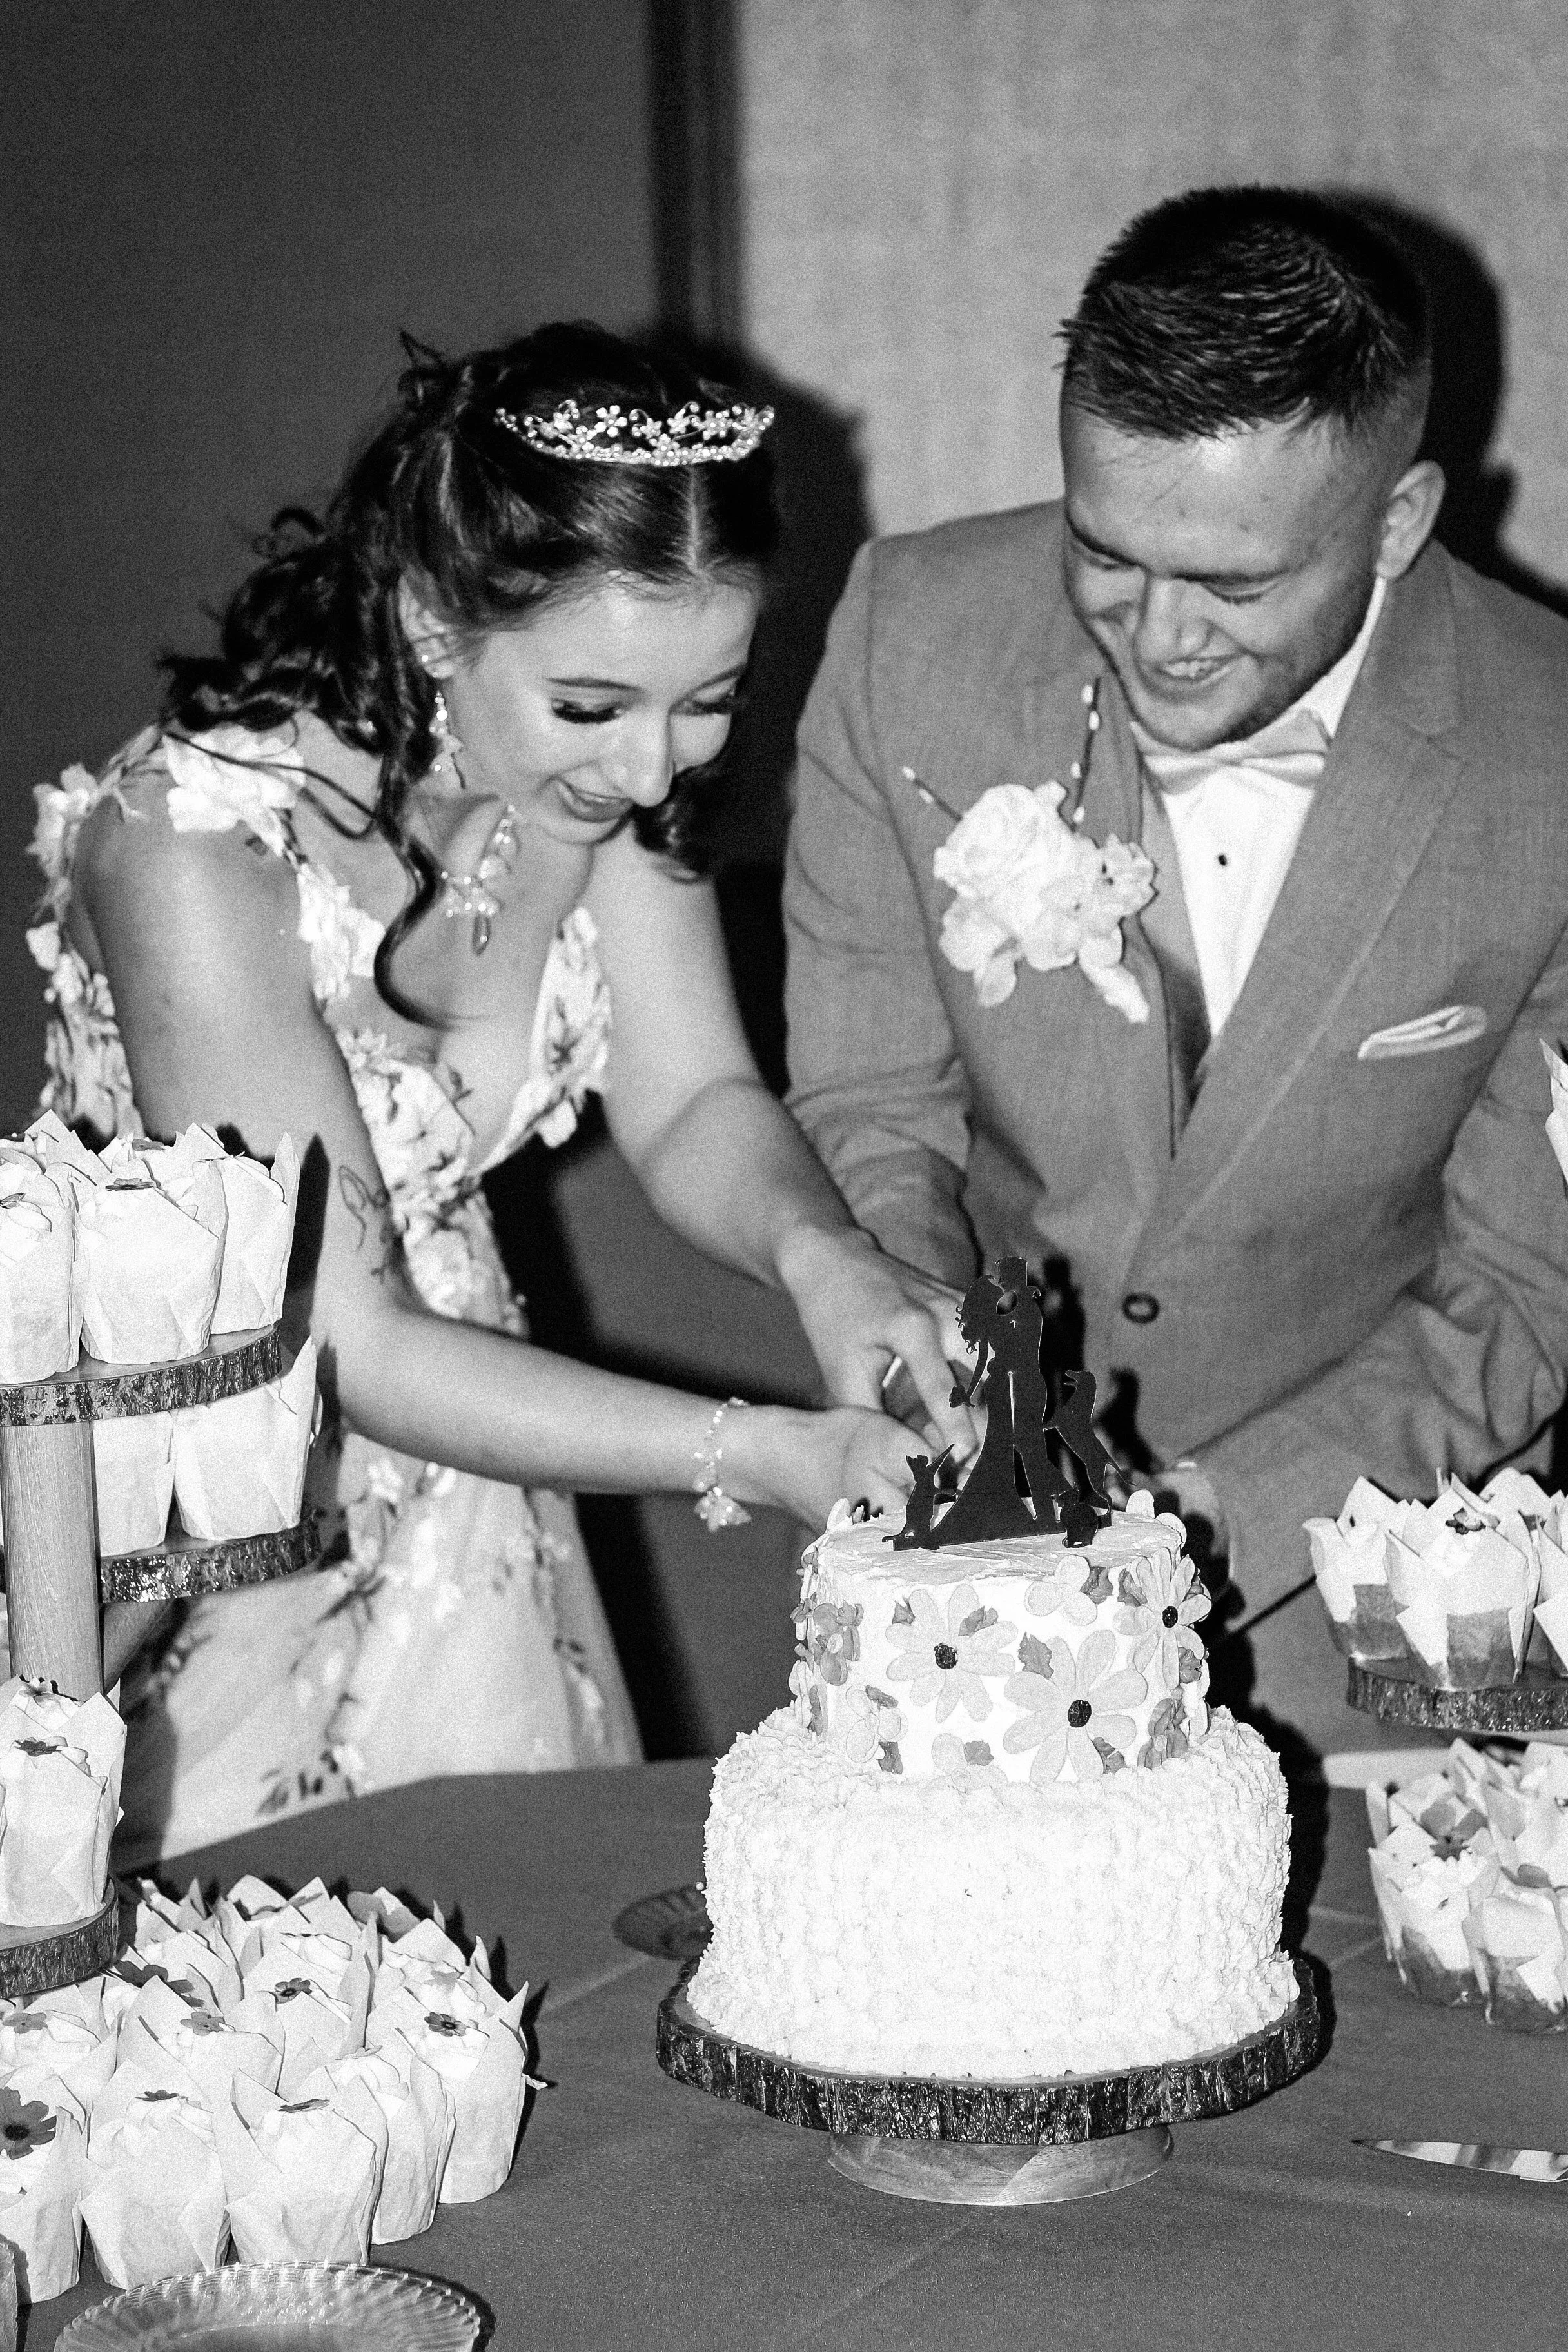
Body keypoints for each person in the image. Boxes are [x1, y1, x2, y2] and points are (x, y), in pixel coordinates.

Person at [30, 322, 968, 1858]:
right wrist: (772, 1451)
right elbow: (352, 1341)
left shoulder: (596, 787)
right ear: (429, 621)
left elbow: (695, 1106)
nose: (657, 771)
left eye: (711, 698)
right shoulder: (190, 846)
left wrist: (829, 1259)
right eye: (593, 706)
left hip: (477, 1470)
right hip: (184, 1495)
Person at [783, 185, 1568, 1762]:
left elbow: (1523, 1289)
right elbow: (875, 1102)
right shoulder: (905, 634)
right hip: (970, 1601)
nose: (1155, 641)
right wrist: (939, 1365)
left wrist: (1202, 1515)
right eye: (1106, 556)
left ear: (1401, 522)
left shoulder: (1554, 753)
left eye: (1232, 586)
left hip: (1386, 1600)